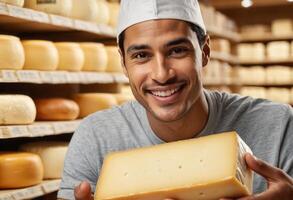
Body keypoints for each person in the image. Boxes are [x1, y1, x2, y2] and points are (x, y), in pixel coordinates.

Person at [57, 0, 293, 199]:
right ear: (123, 64)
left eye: (177, 50)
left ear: (204, 52)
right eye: (141, 55)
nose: (161, 74)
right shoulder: (95, 138)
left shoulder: (280, 126)